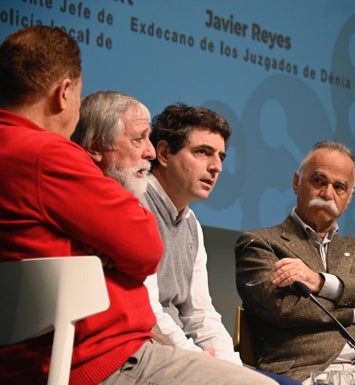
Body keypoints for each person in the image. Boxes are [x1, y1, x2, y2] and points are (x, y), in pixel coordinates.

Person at [0, 25, 278, 385]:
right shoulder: (47, 153)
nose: (216, 167)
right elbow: (146, 246)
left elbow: (196, 308)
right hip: (98, 359)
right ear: (64, 93)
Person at [73, 97, 297, 385]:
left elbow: (200, 313)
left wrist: (230, 365)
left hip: (180, 355)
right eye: (203, 153)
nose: (216, 167)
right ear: (164, 154)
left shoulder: (192, 224)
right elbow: (150, 312)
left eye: (221, 157)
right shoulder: (132, 205)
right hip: (150, 354)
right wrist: (197, 360)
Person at [234, 140, 355, 383]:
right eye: (319, 181)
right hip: (305, 372)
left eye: (339, 187)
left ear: (350, 197)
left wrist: (321, 282)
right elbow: (283, 308)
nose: (327, 193)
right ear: (296, 182)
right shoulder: (260, 243)